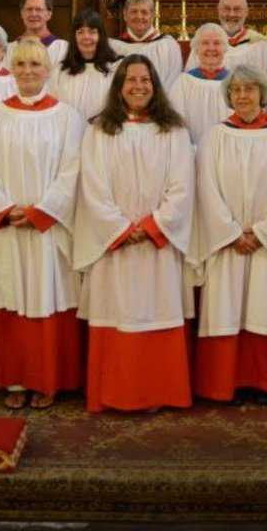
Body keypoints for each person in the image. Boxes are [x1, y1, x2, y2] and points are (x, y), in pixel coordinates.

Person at [73, 55, 194, 413]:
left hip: (158, 244)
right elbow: (92, 186)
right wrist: (121, 228)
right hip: (116, 245)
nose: (138, 87)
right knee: (117, 313)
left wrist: (154, 225)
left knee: (157, 311)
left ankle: (158, 392)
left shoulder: (174, 131)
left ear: (155, 86)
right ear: (119, 86)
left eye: (145, 80)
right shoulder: (99, 131)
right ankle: (115, 392)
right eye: (131, 80)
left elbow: (182, 185)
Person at [0, 38, 85, 410]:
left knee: (45, 298)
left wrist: (40, 211)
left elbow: (73, 171)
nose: (27, 72)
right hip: (7, 226)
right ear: (12, 69)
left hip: (46, 227)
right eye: (20, 65)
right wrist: (4, 209)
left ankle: (48, 379)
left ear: (48, 70)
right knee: (11, 298)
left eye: (35, 65)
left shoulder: (67, 116)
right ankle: (15, 379)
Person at [190, 65, 267, 405]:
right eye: (236, 90)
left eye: (250, 89)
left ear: (263, 93)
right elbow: (205, 189)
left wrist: (264, 232)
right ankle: (226, 382)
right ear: (229, 96)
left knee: (265, 306)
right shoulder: (214, 137)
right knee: (228, 308)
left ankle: (264, 381)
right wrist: (230, 232)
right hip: (227, 245)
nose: (243, 95)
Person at [184, 0, 267, 82]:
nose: (231, 14)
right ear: (218, 11)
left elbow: (266, 87)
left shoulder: (260, 45)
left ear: (246, 12)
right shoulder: (202, 42)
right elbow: (189, 83)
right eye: (226, 9)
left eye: (237, 9)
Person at [50, 8, 121, 121]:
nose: (86, 37)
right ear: (74, 37)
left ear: (101, 35)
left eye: (92, 32)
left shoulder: (115, 67)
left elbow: (120, 104)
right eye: (80, 32)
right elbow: (53, 105)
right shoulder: (60, 71)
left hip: (102, 130)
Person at [170, 24, 233, 145]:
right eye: (205, 43)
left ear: (225, 48)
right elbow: (176, 123)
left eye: (217, 43)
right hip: (192, 152)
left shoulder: (235, 83)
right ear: (196, 48)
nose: (211, 48)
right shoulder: (183, 83)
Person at [110, 0, 183, 93]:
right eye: (134, 12)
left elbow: (173, 82)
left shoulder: (168, 46)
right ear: (125, 15)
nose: (139, 17)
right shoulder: (113, 47)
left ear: (152, 16)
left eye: (144, 12)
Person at [5, 0, 69, 69]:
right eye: (29, 9)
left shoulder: (63, 49)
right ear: (22, 14)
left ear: (49, 14)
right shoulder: (9, 50)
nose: (33, 14)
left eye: (38, 9)